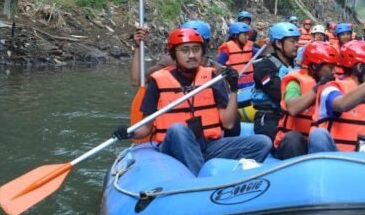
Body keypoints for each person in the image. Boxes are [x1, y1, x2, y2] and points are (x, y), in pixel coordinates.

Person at [112, 28, 272, 175]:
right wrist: (128, 132)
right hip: (174, 147)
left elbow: (229, 124)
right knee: (177, 129)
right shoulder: (158, 81)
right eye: (185, 50)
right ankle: (202, 181)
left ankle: (232, 179)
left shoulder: (212, 77)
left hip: (207, 145)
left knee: (262, 142)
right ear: (174, 54)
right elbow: (146, 129)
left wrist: (234, 89)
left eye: (196, 49)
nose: (192, 55)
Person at [275, 41, 339, 159]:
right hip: (295, 144)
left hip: (318, 142)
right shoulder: (295, 82)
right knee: (293, 138)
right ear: (315, 66)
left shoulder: (334, 84)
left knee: (321, 137)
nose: (334, 71)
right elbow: (292, 108)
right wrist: (317, 88)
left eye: (335, 67)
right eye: (330, 67)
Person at [249, 22, 301, 141]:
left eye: (297, 41)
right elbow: (278, 92)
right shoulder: (264, 67)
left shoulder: (295, 65)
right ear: (278, 43)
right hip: (269, 117)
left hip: (290, 115)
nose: (296, 45)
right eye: (292, 41)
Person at [215, 22, 255, 91]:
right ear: (236, 36)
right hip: (235, 86)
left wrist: (267, 45)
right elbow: (218, 66)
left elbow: (262, 53)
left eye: (247, 35)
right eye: (244, 35)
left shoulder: (250, 46)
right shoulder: (227, 49)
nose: (247, 37)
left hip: (250, 85)